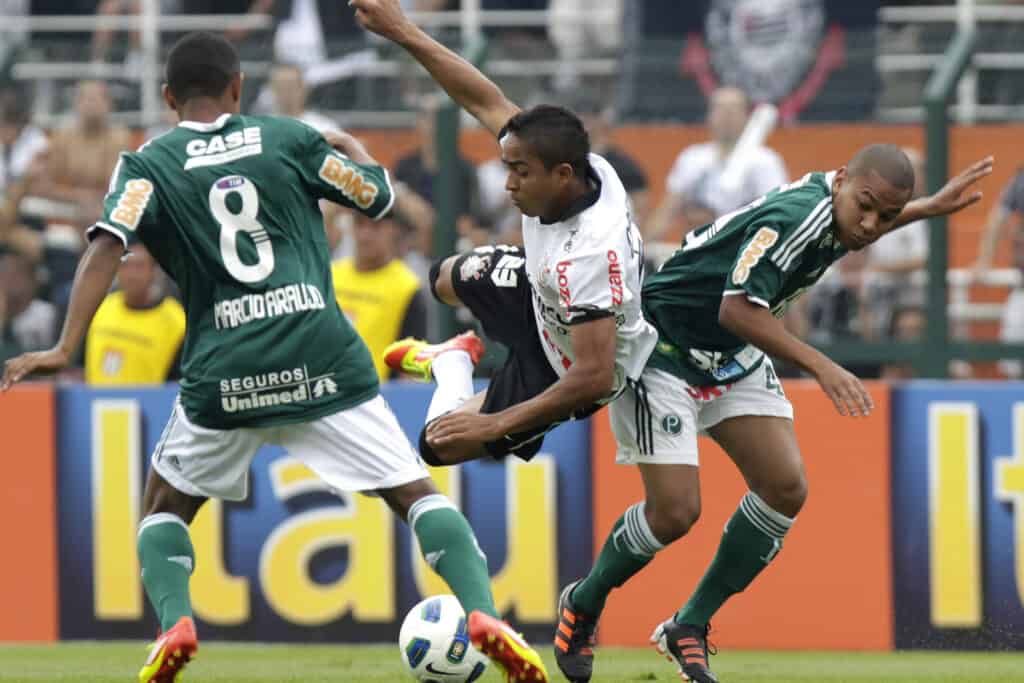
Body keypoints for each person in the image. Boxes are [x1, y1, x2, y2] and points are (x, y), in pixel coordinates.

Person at [0, 31, 548, 683]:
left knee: (164, 509)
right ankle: (482, 613)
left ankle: (175, 621)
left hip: (226, 367)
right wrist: (353, 151)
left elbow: (104, 247)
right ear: (237, 88)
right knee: (413, 493)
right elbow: (376, 197)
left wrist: (65, 346)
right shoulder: (287, 137)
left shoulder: (148, 164)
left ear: (170, 96)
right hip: (321, 355)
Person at [553, 147, 992, 683]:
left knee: (785, 487)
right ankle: (584, 600)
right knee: (675, 513)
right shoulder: (797, 220)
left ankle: (687, 625)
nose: (872, 225)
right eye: (868, 207)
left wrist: (923, 208)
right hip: (664, 348)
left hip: (729, 355)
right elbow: (734, 308)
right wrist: (820, 364)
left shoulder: (844, 209)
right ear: (841, 180)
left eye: (889, 217)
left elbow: (858, 221)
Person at [350, 0, 657, 471]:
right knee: (444, 278)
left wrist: (495, 425)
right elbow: (484, 100)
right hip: (541, 294)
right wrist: (403, 31)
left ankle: (451, 366)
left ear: (561, 176)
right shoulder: (571, 163)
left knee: (438, 445)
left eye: (520, 172)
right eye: (507, 167)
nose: (508, 183)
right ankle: (460, 347)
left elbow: (594, 376)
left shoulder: (592, 252)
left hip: (563, 364)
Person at [646, 86, 788, 241]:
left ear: (747, 116)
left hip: (744, 247)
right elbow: (667, 210)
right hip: (700, 247)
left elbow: (778, 212)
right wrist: (646, 245)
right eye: (720, 109)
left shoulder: (765, 161)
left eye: (734, 109)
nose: (727, 116)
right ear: (709, 115)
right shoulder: (692, 158)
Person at [332, 211, 428, 381]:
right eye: (359, 224)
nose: (365, 235)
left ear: (393, 230)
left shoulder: (407, 287)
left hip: (376, 398)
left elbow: (412, 368)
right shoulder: (330, 275)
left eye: (376, 226)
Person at [29, 80, 132, 225]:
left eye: (98, 99)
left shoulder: (119, 138)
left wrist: (90, 200)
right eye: (87, 99)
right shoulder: (62, 137)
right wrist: (79, 196)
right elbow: (43, 185)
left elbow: (117, 187)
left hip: (103, 210)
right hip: (64, 208)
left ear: (109, 105)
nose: (92, 105)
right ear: (77, 104)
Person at [84, 244, 185, 385]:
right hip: (96, 403)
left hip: (149, 405)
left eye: (139, 266)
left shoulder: (176, 320)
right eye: (126, 265)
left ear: (154, 271)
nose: (131, 274)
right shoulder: (101, 307)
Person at [972, 166, 1024, 378]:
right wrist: (984, 260)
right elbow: (997, 219)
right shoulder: (1021, 180)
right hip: (1022, 289)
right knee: (1013, 349)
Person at [0, 249, 57, 364]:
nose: (11, 281)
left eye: (18, 274)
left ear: (34, 280)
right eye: (5, 274)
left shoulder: (47, 314)